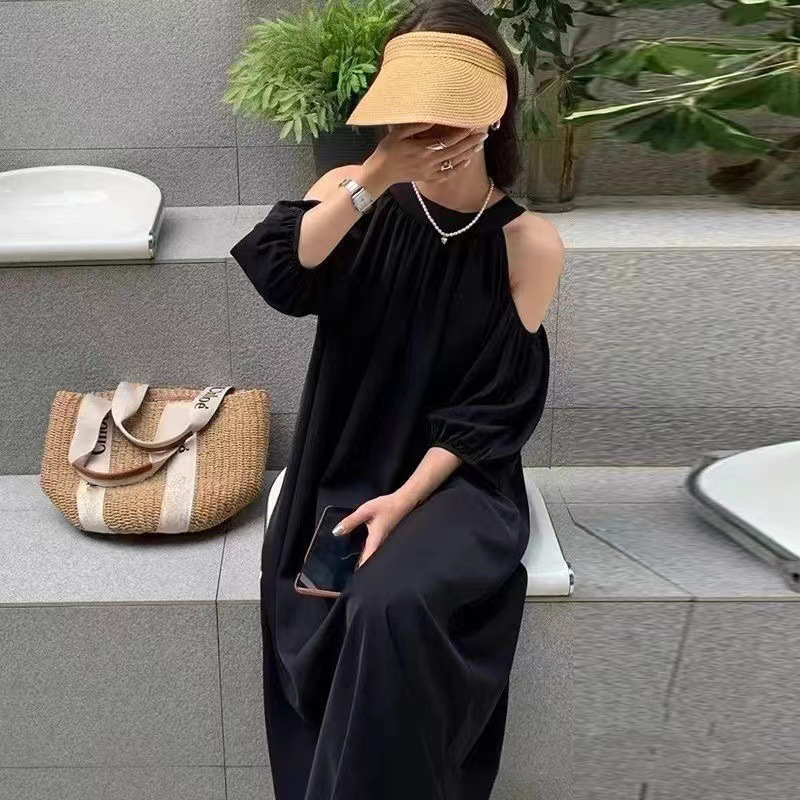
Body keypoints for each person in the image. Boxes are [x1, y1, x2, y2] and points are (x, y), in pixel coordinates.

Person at [229, 2, 564, 798]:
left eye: (451, 110)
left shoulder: (528, 245)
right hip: (344, 456)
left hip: (457, 479)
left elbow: (490, 409)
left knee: (392, 604)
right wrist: (378, 171)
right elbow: (284, 277)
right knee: (332, 602)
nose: (431, 129)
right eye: (412, 108)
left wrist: (403, 500)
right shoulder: (350, 196)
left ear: (494, 113)